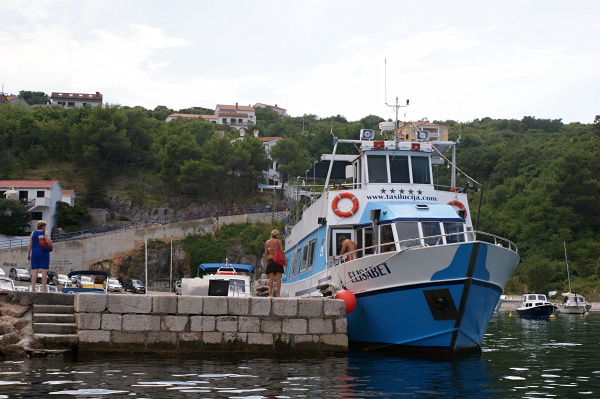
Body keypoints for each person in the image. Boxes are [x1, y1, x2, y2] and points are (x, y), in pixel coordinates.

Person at [28, 220, 52, 292]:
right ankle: (44, 289)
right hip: (43, 253)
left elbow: (30, 244)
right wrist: (50, 241)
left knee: (34, 271)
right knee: (43, 271)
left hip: (34, 253)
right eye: (45, 226)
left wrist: (28, 254)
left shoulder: (33, 233)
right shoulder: (44, 232)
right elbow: (47, 241)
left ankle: (33, 288)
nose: (45, 227)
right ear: (42, 226)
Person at [264, 229, 284, 297]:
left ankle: (270, 294)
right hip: (277, 260)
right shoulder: (278, 242)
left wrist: (266, 262)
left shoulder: (267, 242)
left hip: (270, 260)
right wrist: (284, 260)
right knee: (278, 278)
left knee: (271, 278)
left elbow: (266, 253)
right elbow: (281, 251)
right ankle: (278, 294)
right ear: (277, 235)